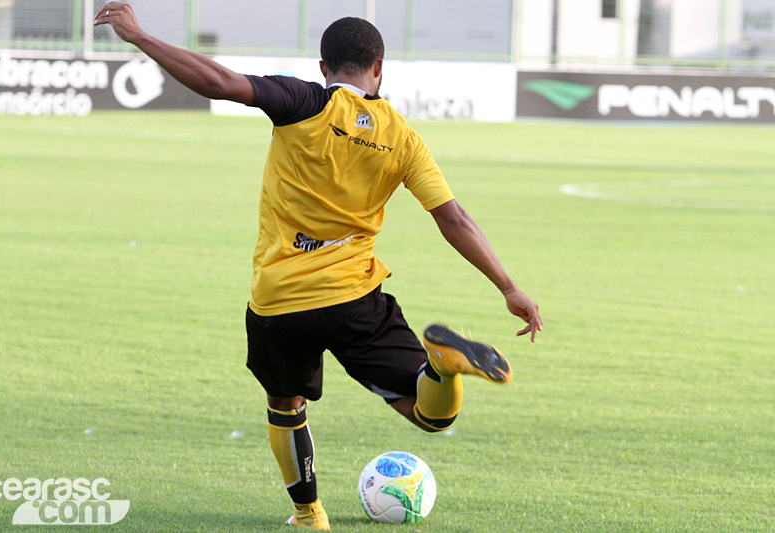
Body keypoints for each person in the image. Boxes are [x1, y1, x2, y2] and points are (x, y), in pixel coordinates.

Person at [95, 5, 543, 530]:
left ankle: (308, 515)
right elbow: (453, 218)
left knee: (285, 402)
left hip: (279, 299)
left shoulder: (305, 101)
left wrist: (139, 36)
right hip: (355, 298)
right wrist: (509, 287)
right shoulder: (404, 139)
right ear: (379, 67)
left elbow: (219, 81)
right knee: (431, 416)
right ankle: (441, 365)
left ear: (324, 66)